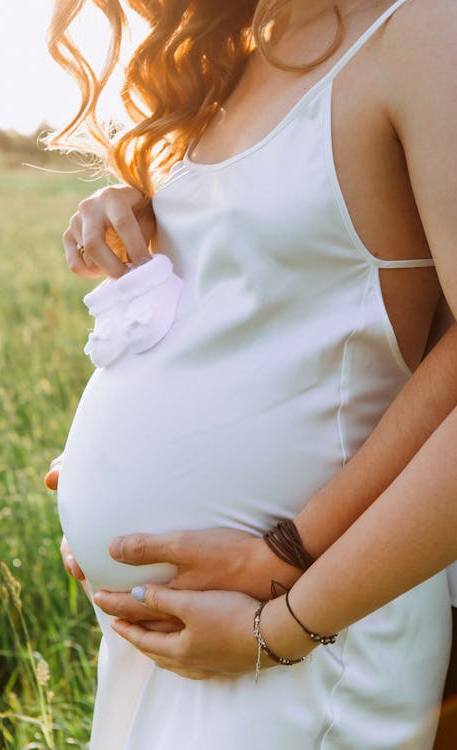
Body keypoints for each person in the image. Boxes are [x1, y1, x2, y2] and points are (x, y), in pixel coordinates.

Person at [45, 0, 457, 748]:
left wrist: (284, 605)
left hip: (305, 632)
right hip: (179, 638)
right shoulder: (239, 48)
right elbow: (269, 302)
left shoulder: (420, 27)